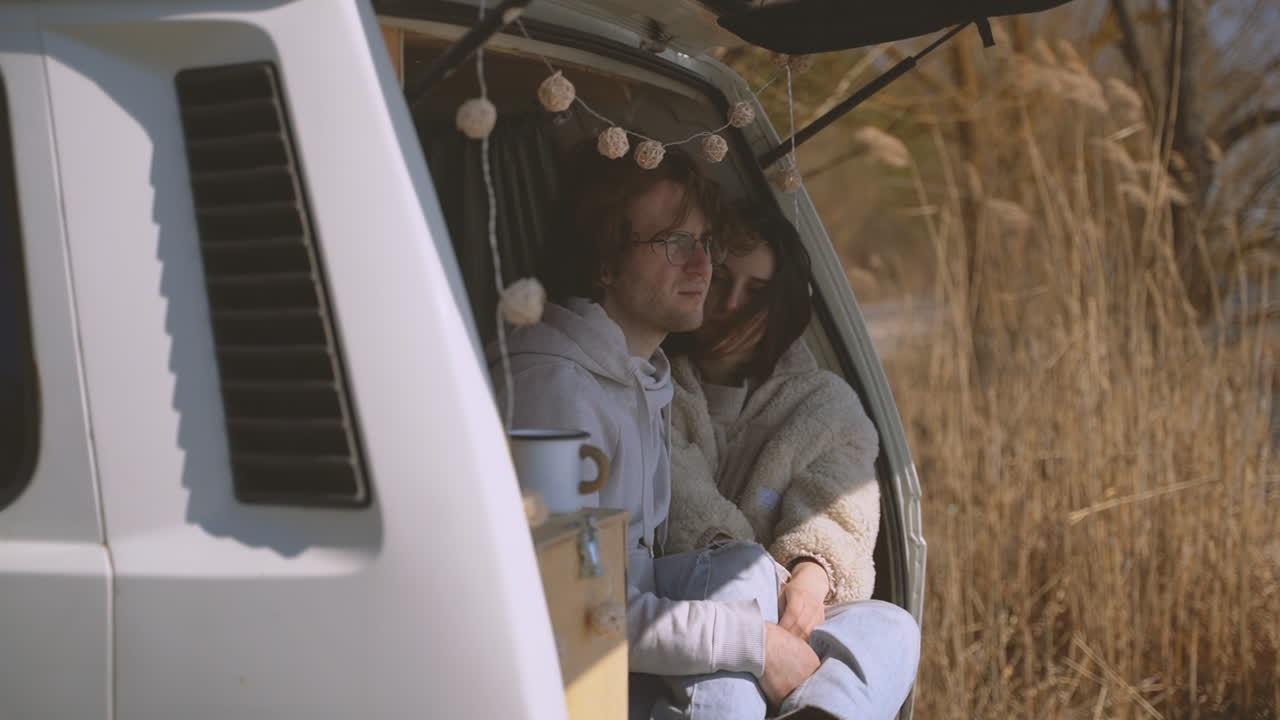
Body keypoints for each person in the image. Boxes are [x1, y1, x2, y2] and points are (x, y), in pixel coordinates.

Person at [494, 145, 904, 720]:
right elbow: (570, 614)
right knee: (740, 573)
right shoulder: (555, 393)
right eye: (673, 242)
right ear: (605, 262)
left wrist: (797, 591)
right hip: (579, 682)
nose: (702, 266)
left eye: (705, 242)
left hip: (637, 648)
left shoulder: (642, 381)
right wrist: (754, 640)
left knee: (887, 626)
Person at [662, 206, 922, 718]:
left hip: (790, 613)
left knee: (891, 626)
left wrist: (810, 579)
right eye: (722, 280)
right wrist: (763, 611)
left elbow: (835, 514)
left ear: (779, 302)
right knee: (734, 575)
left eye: (756, 291)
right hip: (692, 613)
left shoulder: (825, 405)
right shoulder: (654, 382)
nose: (732, 305)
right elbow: (687, 514)